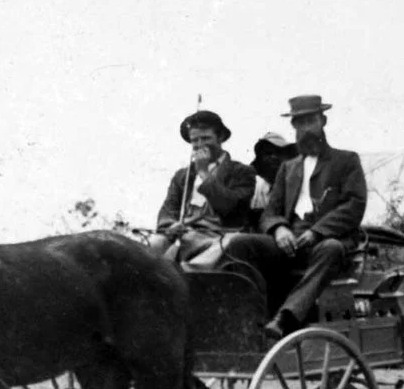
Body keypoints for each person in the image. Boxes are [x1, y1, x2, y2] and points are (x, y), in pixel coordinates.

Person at [232, 95, 369, 337]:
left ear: (323, 121)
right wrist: (279, 229)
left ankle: (286, 318)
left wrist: (317, 231)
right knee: (239, 244)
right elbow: (270, 212)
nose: (305, 129)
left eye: (310, 121)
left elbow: (354, 205)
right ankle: (249, 317)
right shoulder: (289, 168)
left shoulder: (346, 161)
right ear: (293, 126)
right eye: (299, 123)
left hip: (326, 242)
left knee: (331, 248)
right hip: (288, 241)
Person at [149, 109, 256, 264]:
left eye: (206, 138)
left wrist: (204, 173)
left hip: (217, 238)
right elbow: (169, 209)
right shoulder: (182, 176)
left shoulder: (241, 172)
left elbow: (231, 208)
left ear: (220, 138)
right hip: (182, 235)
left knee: (227, 246)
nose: (200, 145)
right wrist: (170, 225)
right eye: (195, 140)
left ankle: (190, 272)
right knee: (143, 252)